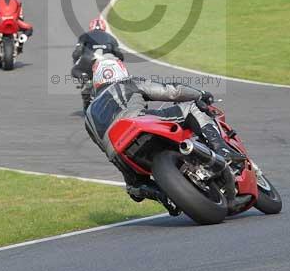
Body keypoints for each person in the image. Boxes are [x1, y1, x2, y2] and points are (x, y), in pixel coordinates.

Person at [84, 54, 244, 208]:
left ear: (96, 80)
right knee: (191, 107)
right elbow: (172, 91)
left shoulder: (88, 115)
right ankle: (222, 149)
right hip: (137, 124)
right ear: (121, 71)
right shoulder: (128, 82)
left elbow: (101, 145)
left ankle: (164, 197)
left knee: (135, 186)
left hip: (119, 153)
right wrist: (200, 94)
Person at [71, 17, 124, 82]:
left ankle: (85, 78)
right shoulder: (111, 37)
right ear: (104, 27)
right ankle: (124, 79)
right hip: (109, 60)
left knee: (75, 70)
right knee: (121, 69)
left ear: (91, 27)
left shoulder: (84, 36)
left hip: (90, 59)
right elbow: (120, 55)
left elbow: (77, 53)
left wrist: (76, 59)